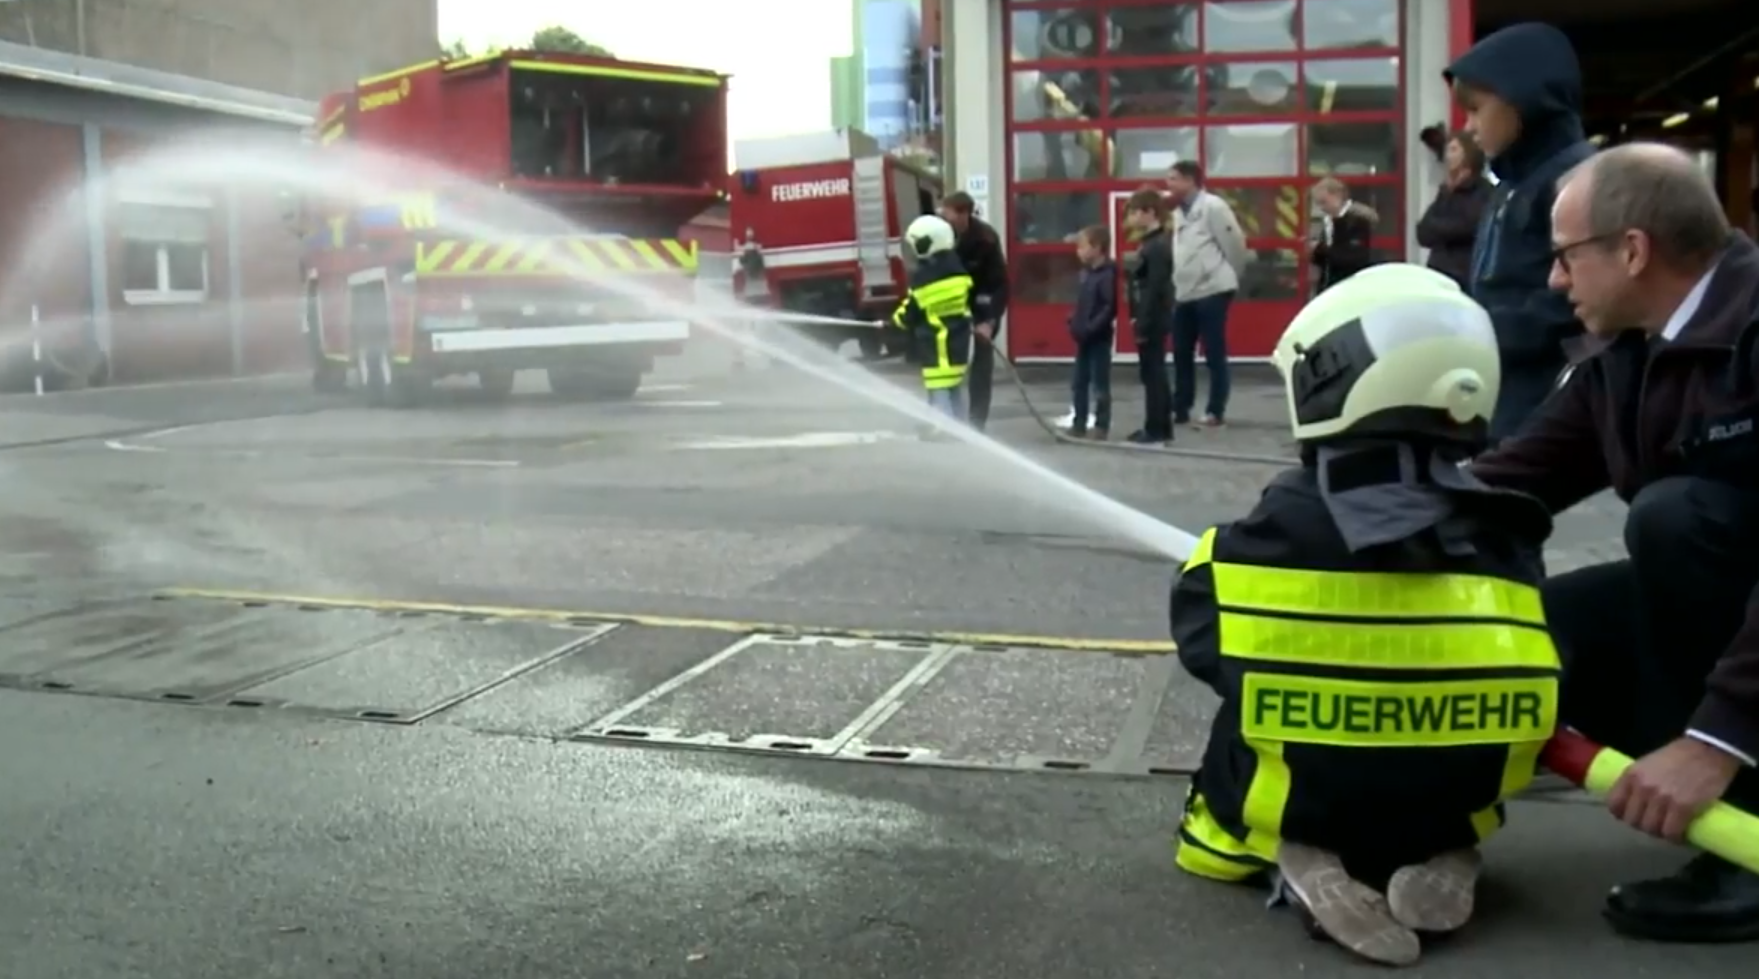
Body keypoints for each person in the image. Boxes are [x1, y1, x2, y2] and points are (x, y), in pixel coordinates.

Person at [1170, 264, 1559, 966]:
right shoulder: (1506, 526)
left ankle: (1296, 855)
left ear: (1334, 374)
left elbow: (1201, 640)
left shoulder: (1288, 516)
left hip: (1312, 799)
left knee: (1243, 712)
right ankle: (1442, 848)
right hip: (1451, 796)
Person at [1472, 143, 1759, 943]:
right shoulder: (1626, 350)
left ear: (1631, 250)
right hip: (1735, 620)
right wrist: (1358, 511)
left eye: (1564, 257)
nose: (1554, 280)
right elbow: (1513, 476)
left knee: (1674, 517)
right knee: (1529, 635)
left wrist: (1718, 737)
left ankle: (1743, 828)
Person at [1446, 22, 1596, 443]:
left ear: (1525, 102)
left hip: (1540, 387)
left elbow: (1574, 300)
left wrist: (1485, 331)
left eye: (1476, 110)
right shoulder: (1509, 184)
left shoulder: (1574, 181)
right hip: (1500, 377)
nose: (1469, 127)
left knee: (1509, 490)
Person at [1167, 160, 1248, 428]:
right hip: (1185, 292)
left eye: (1174, 179)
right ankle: (1180, 407)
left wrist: (1229, 276)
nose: (1169, 184)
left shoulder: (1213, 207)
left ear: (1190, 180)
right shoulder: (1177, 211)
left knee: (1213, 351)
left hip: (1213, 288)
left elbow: (1234, 244)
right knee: (1181, 351)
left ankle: (1215, 410)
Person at [888, 214, 975, 434]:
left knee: (938, 388)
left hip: (937, 346)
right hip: (959, 342)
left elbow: (911, 310)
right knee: (954, 386)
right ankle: (961, 426)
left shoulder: (925, 279)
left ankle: (943, 427)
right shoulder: (958, 271)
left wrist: (894, 322)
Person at [937, 192, 1009, 432]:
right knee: (947, 364)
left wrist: (988, 321)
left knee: (981, 364)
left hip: (982, 304)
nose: (943, 218)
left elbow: (998, 283)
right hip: (951, 308)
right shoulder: (940, 236)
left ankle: (977, 420)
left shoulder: (986, 239)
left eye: (947, 213)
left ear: (963, 214)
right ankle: (949, 417)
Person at [1124, 187, 1175, 444]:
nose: (1131, 219)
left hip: (1154, 317)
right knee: (1154, 372)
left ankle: (1156, 428)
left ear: (1150, 212)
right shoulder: (1152, 242)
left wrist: (1142, 321)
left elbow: (1154, 287)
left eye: (1134, 212)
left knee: (1153, 373)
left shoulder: (1156, 246)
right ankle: (1159, 426)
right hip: (1153, 315)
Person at [1417, 132, 1493, 288]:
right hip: (1437, 276)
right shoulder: (1445, 191)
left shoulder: (1482, 191)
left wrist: (1438, 229)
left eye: (1453, 150)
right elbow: (1423, 232)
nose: (1447, 156)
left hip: (1465, 277)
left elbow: (1468, 226)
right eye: (1447, 150)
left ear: (1468, 153)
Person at [1066, 224, 1115, 440]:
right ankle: (1079, 422)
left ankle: (1102, 425)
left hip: (1099, 338)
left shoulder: (1108, 275)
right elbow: (1083, 303)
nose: (1078, 251)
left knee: (1100, 383)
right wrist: (1074, 322)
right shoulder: (1085, 274)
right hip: (1083, 337)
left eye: (1082, 246)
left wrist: (1092, 328)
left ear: (1097, 248)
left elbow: (1109, 307)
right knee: (1079, 382)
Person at [1309, 176, 1379, 293]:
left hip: (1354, 286)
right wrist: (1315, 252)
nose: (1322, 208)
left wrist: (1321, 249)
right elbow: (1326, 261)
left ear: (1337, 196)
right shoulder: (1327, 221)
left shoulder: (1359, 219)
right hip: (1329, 286)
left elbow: (1353, 258)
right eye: (1318, 204)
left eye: (1324, 202)